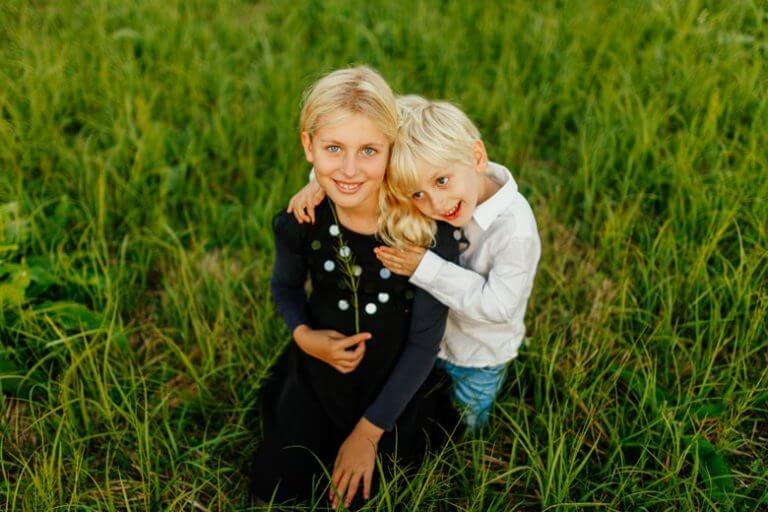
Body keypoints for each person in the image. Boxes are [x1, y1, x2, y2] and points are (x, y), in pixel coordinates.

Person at [251, 69, 458, 509]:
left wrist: (367, 435)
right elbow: (285, 287)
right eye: (333, 149)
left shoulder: (425, 234)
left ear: (391, 151)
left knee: (384, 490)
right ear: (309, 146)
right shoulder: (301, 220)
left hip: (396, 378)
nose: (348, 169)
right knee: (280, 485)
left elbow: (424, 344)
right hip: (318, 371)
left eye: (368, 151)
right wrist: (304, 336)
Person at [288, 95, 541, 432]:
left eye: (441, 181)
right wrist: (318, 183)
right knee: (418, 410)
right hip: (424, 340)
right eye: (417, 194)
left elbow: (499, 306)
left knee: (462, 428)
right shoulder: (444, 181)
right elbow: (368, 172)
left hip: (476, 356)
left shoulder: (515, 230)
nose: (435, 203)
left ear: (476, 156)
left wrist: (425, 268)